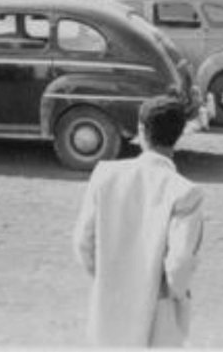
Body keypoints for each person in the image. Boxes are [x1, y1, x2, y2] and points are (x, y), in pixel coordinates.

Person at [73, 96, 204, 346]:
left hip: (109, 304)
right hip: (158, 312)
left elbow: (83, 243)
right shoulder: (185, 191)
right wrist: (178, 294)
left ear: (142, 130)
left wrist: (108, 276)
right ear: (179, 134)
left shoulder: (105, 175)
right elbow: (180, 263)